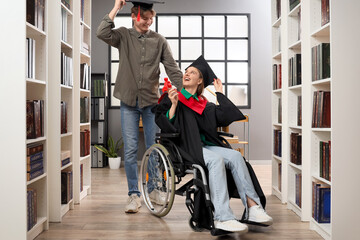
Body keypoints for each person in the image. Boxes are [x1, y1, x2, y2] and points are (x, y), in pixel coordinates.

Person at [154, 55, 273, 233]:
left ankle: (253, 208)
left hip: (205, 146)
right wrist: (173, 105)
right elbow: (163, 122)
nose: (186, 74)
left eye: (192, 72)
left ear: (200, 80)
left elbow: (226, 115)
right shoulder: (174, 97)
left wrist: (220, 93)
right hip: (184, 147)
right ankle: (223, 218)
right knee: (216, 160)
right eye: (186, 72)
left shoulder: (204, 104)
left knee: (235, 156)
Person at [96, 0, 183, 213]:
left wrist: (186, 93)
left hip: (151, 103)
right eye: (145, 18)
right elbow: (101, 32)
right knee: (132, 148)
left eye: (151, 18)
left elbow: (172, 68)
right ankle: (134, 195)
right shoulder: (123, 36)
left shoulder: (159, 41)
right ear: (135, 15)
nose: (148, 22)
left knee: (154, 148)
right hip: (128, 102)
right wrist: (116, 7)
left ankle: (153, 189)